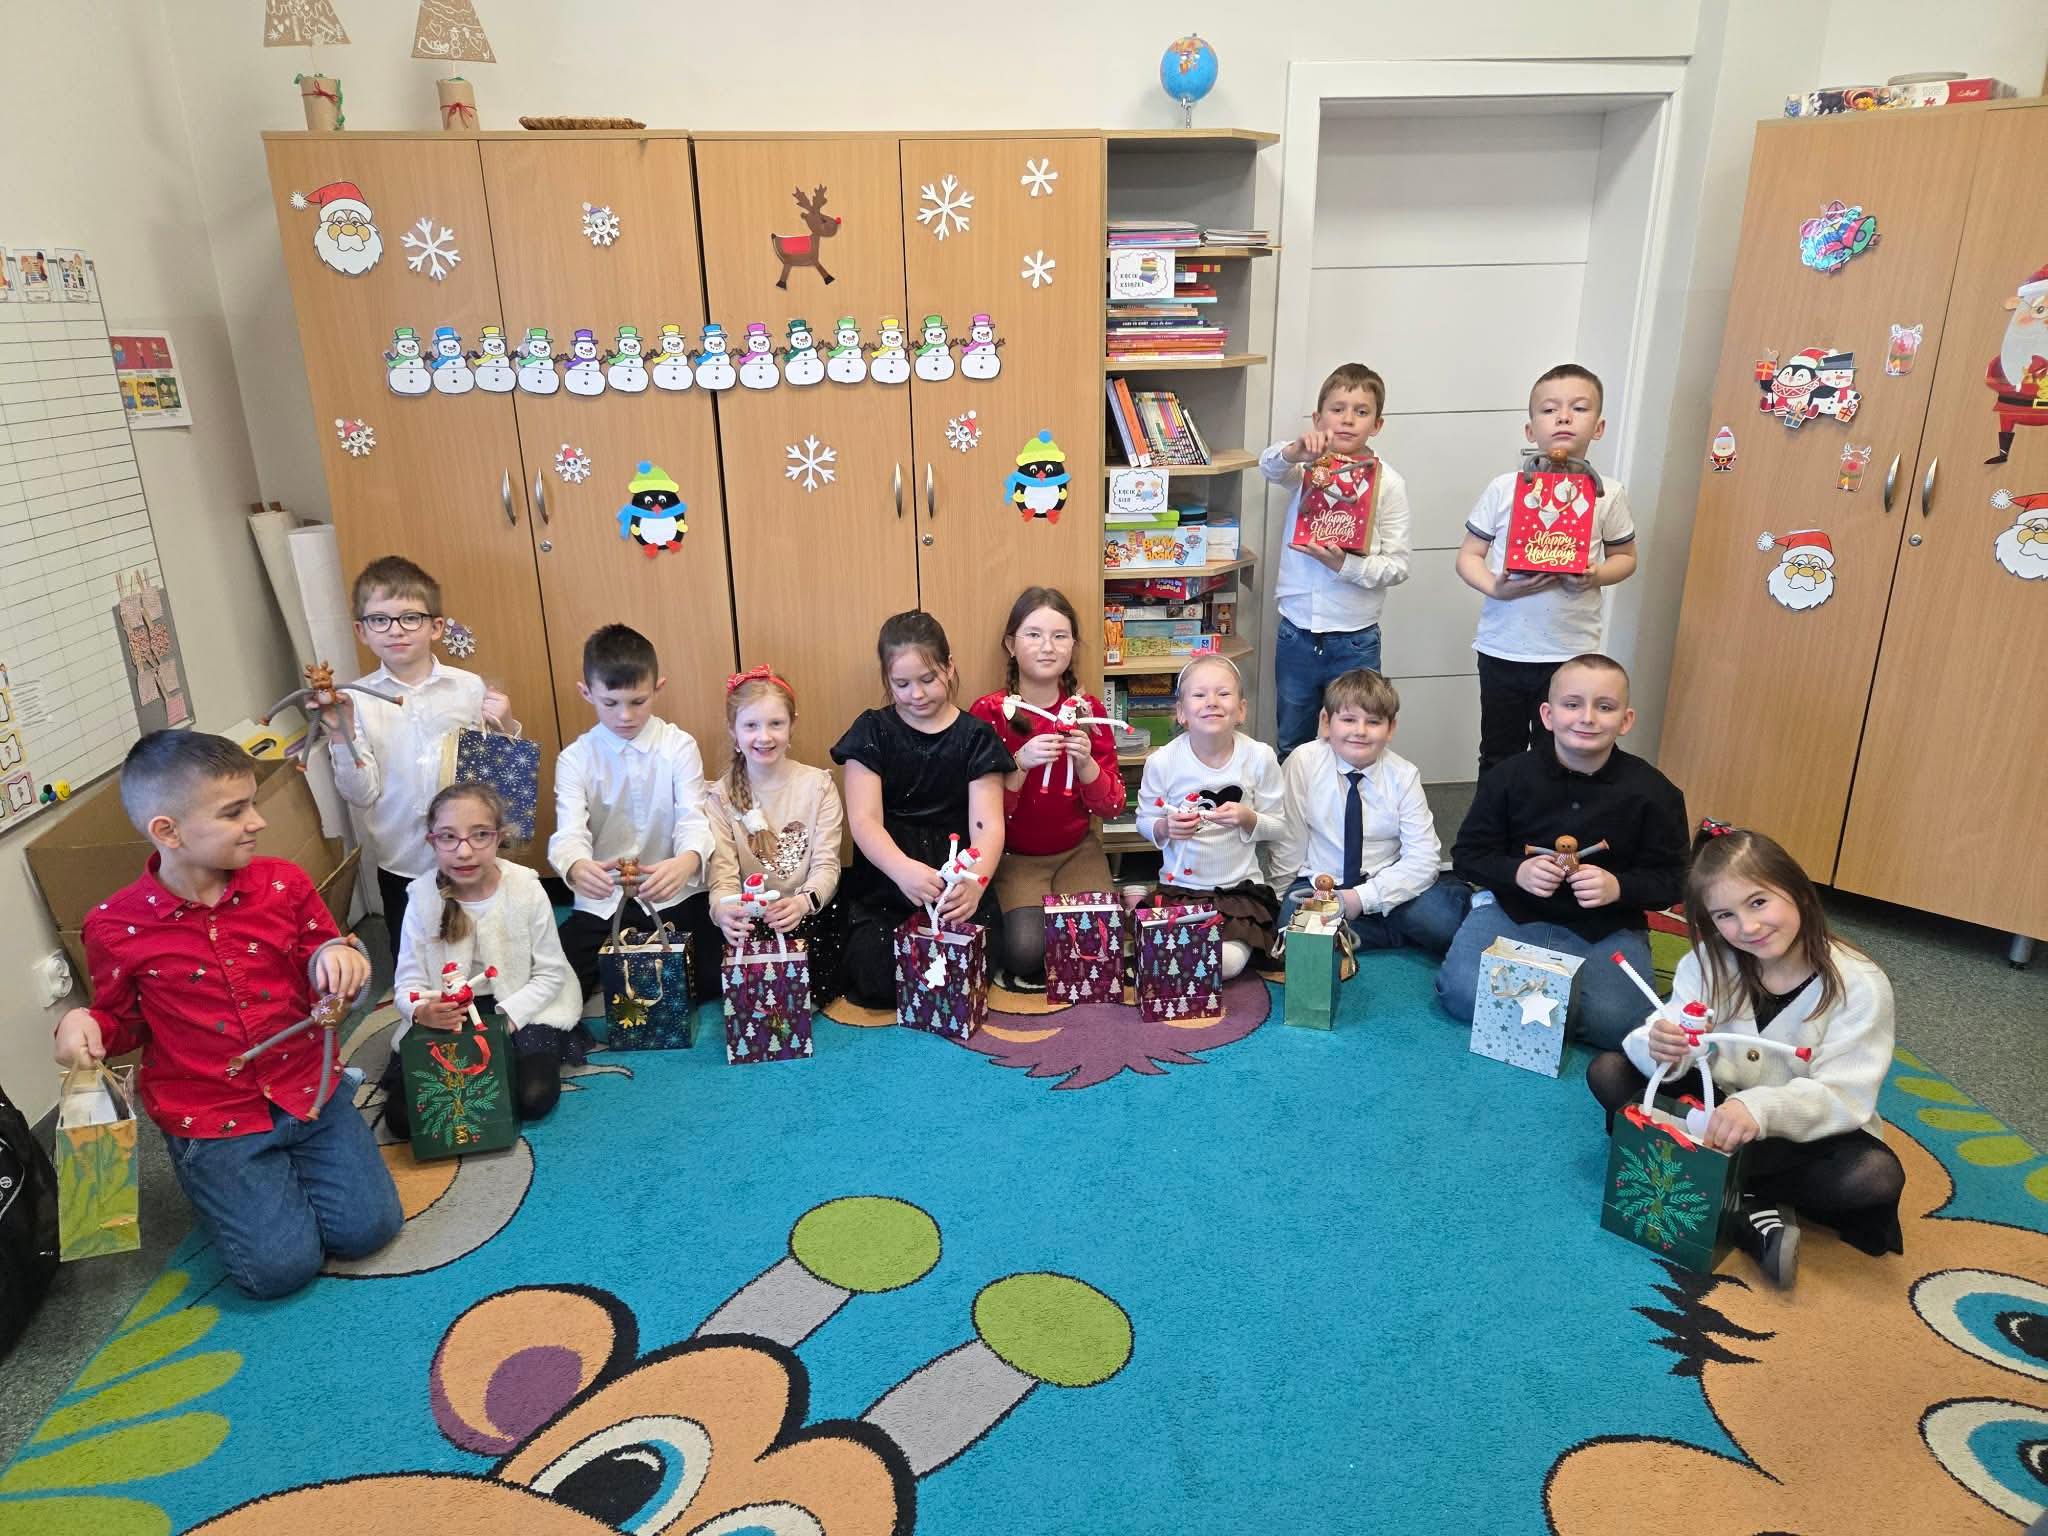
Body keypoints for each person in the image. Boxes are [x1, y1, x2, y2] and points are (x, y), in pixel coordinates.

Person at [52, 733, 399, 1299]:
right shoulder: (114, 926)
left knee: (370, 1229)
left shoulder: (284, 883)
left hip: (307, 1088)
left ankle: (280, 1176)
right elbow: (122, 1025)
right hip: (215, 1117)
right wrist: (82, 1026)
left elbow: (322, 954)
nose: (257, 822)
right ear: (168, 831)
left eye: (252, 804)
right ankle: (230, 1184)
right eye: (235, 812)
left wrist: (338, 957)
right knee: (280, 1270)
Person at [1587, 826, 1906, 1287]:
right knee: (1610, 1071)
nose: (1748, 927)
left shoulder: (1860, 985)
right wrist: (1661, 1045)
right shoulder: (1707, 961)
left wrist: (1759, 1110)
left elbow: (1844, 1095)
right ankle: (1746, 1204)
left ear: (1798, 891)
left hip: (1796, 1133)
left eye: (1758, 902)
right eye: (1725, 915)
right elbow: (1667, 1024)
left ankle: (1711, 1181)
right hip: (1711, 1104)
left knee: (1874, 1176)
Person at [1435, 654, 1688, 1048]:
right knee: (1461, 993)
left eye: (1605, 707)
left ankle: (1541, 1004)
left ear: (1626, 720)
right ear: (1548, 715)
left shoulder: (1656, 793)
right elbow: (1467, 855)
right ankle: (1539, 987)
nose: (1587, 718)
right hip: (1513, 911)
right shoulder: (1507, 777)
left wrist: (1618, 887)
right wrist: (1517, 873)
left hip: (1606, 926)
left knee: (1619, 1025)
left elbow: (1674, 880)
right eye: (1572, 704)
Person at [326, 556, 512, 965]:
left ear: (436, 626)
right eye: (380, 620)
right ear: (361, 631)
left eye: (410, 618)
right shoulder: (353, 700)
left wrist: (506, 723)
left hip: (471, 852)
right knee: (415, 962)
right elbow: (360, 794)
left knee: (489, 955)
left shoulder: (468, 688)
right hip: (402, 862)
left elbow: (496, 773)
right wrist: (341, 734)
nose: (395, 630)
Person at [1455, 364, 1638, 773]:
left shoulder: (1607, 493)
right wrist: (1495, 587)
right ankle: (1496, 817)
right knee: (1499, 752)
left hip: (1571, 653)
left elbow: (1626, 558)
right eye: (1550, 409)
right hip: (1504, 646)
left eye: (1579, 408)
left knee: (1562, 753)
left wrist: (1595, 575)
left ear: (1599, 427)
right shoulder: (1505, 488)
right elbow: (1467, 556)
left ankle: (1553, 817)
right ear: (1529, 428)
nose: (1564, 417)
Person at [832, 611, 1012, 1009]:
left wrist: (976, 884)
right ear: (887, 680)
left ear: (949, 668)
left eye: (928, 679)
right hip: (888, 880)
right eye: (902, 684)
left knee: (970, 967)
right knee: (876, 978)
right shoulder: (872, 730)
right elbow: (863, 820)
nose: (916, 694)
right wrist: (902, 871)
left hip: (957, 876)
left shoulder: (976, 736)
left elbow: (988, 827)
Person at [382, 783, 583, 1139]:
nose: (464, 851)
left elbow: (551, 974)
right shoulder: (422, 897)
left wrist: (507, 1020)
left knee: (534, 1097)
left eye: (479, 835)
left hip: (520, 1005)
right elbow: (408, 983)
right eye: (449, 837)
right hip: (450, 1014)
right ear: (432, 842)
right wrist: (421, 1013)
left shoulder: (526, 888)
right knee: (402, 1119)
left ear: (499, 837)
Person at [549, 624, 719, 1005]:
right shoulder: (575, 758)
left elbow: (693, 817)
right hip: (607, 900)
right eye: (610, 703)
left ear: (658, 688)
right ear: (586, 692)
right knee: (558, 983)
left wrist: (688, 861)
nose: (625, 715)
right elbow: (569, 832)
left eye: (638, 701)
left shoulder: (679, 746)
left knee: (714, 973)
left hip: (674, 893)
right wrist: (576, 866)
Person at [969, 587, 1125, 989]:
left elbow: (1111, 807)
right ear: (1011, 645)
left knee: (1100, 944)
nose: (1047, 647)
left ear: (1073, 645)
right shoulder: (989, 713)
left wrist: (1087, 765)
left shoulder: (1089, 712)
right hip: (1014, 855)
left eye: (1060, 636)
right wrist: (1019, 764)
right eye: (1034, 635)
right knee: (1024, 952)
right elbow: (981, 812)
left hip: (1077, 851)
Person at [1263, 362, 1413, 754]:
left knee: (1355, 741)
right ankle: (1295, 798)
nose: (1347, 420)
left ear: (1377, 425)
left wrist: (1344, 565)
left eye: (1361, 412)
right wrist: (1295, 451)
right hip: (1297, 630)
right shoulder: (1307, 468)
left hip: (1355, 638)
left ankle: (1350, 796)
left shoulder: (1389, 483)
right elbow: (1269, 467)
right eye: (1337, 409)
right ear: (1318, 418)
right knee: (1292, 740)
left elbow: (1398, 565)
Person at [1271, 668, 1467, 954]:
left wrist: (1362, 899)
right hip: (1322, 884)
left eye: (1373, 722)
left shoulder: (1403, 775)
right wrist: (1278, 898)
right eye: (1348, 720)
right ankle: (1389, 933)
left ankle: (1353, 930)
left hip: (1386, 881)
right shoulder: (1304, 762)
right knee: (1291, 930)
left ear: (1390, 729)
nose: (1360, 731)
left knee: (1443, 924)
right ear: (1326, 722)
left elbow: (1423, 858)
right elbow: (1289, 839)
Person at [1135, 654, 1285, 979]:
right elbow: (1144, 820)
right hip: (1180, 888)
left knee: (1226, 962)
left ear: (1241, 710)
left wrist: (1248, 818)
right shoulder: (1162, 762)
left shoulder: (1259, 757)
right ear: (1181, 712)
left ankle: (1193, 959)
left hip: (1237, 892)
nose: (1212, 702)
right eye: (1199, 695)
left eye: (1223, 693)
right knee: (1159, 947)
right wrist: (1165, 827)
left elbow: (1278, 826)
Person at [707, 664, 847, 1003]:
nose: (764, 737)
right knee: (723, 985)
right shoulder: (720, 796)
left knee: (820, 983)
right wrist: (722, 911)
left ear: (792, 724)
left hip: (805, 912)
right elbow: (723, 875)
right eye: (751, 725)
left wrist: (803, 902)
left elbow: (826, 865)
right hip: (749, 917)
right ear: (733, 730)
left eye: (775, 724)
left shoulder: (818, 787)